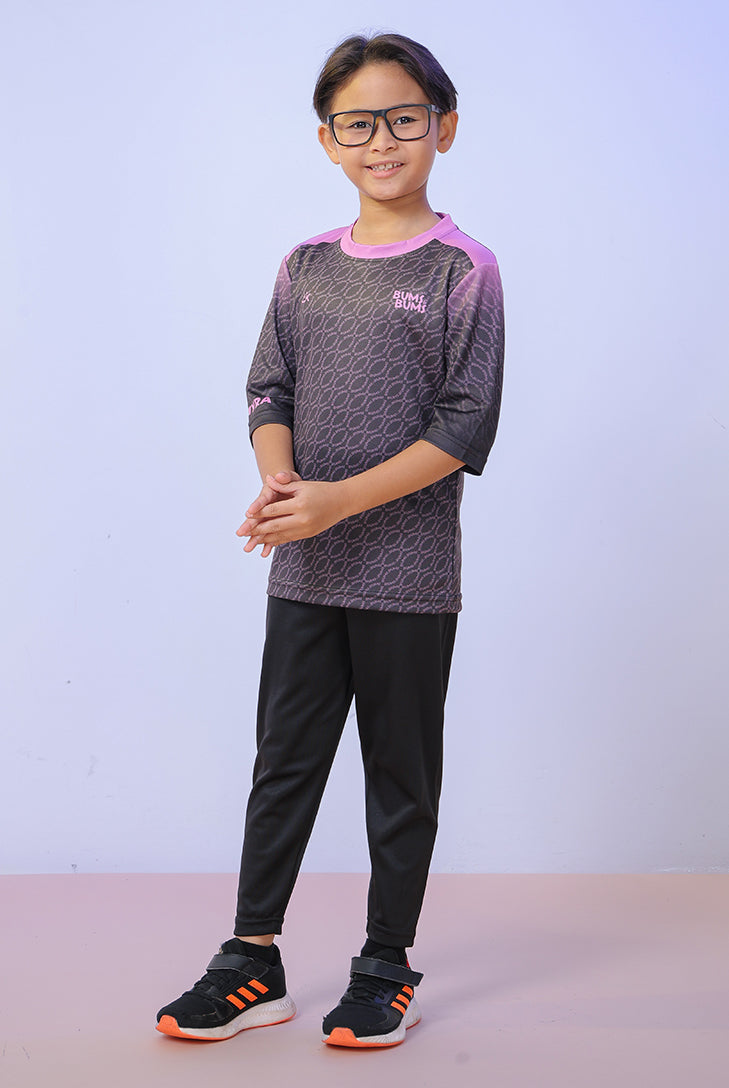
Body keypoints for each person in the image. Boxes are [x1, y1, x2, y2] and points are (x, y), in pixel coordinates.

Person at [156, 31, 504, 1050]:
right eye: (357, 123)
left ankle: (385, 964)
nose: (380, 140)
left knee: (400, 772)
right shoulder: (304, 266)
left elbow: (462, 426)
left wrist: (336, 500)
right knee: (284, 761)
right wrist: (281, 483)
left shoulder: (464, 270)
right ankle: (251, 959)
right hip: (304, 567)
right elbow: (269, 389)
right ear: (327, 140)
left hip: (409, 576)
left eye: (402, 118)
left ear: (443, 127)